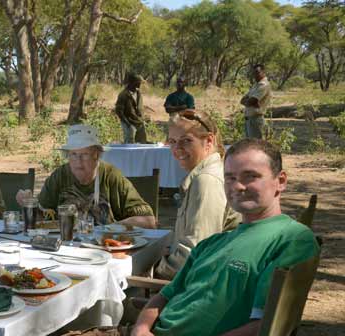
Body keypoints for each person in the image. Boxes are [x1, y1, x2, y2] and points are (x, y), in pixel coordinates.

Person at [39, 138, 319, 336]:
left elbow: (262, 331)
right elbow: (165, 294)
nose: (238, 186)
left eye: (251, 176)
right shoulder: (214, 243)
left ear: (280, 180)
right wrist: (141, 329)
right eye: (230, 177)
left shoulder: (290, 240)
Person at [16, 124, 155, 228]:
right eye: (73, 155)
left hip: (104, 249)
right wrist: (29, 205)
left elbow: (148, 220)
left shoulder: (111, 176)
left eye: (84, 155)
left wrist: (110, 230)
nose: (78, 161)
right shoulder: (59, 176)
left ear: (97, 155)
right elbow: (42, 221)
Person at [155, 110, 240, 279]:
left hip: (205, 287)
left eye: (186, 141)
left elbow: (194, 252)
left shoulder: (206, 180)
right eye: (172, 142)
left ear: (208, 141)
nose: (177, 149)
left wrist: (157, 270)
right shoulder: (209, 172)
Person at [240, 64, 272, 139]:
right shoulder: (256, 85)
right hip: (249, 119)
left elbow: (252, 101)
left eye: (257, 72)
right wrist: (248, 102)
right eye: (254, 73)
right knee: (250, 145)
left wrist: (249, 101)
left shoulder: (264, 85)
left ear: (263, 72)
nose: (255, 75)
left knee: (257, 146)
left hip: (256, 120)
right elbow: (242, 100)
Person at [114, 73, 147, 144]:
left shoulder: (138, 93)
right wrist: (128, 124)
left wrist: (142, 120)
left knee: (142, 142)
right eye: (138, 83)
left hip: (139, 121)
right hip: (128, 123)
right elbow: (119, 111)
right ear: (132, 83)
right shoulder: (123, 94)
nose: (139, 84)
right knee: (129, 143)